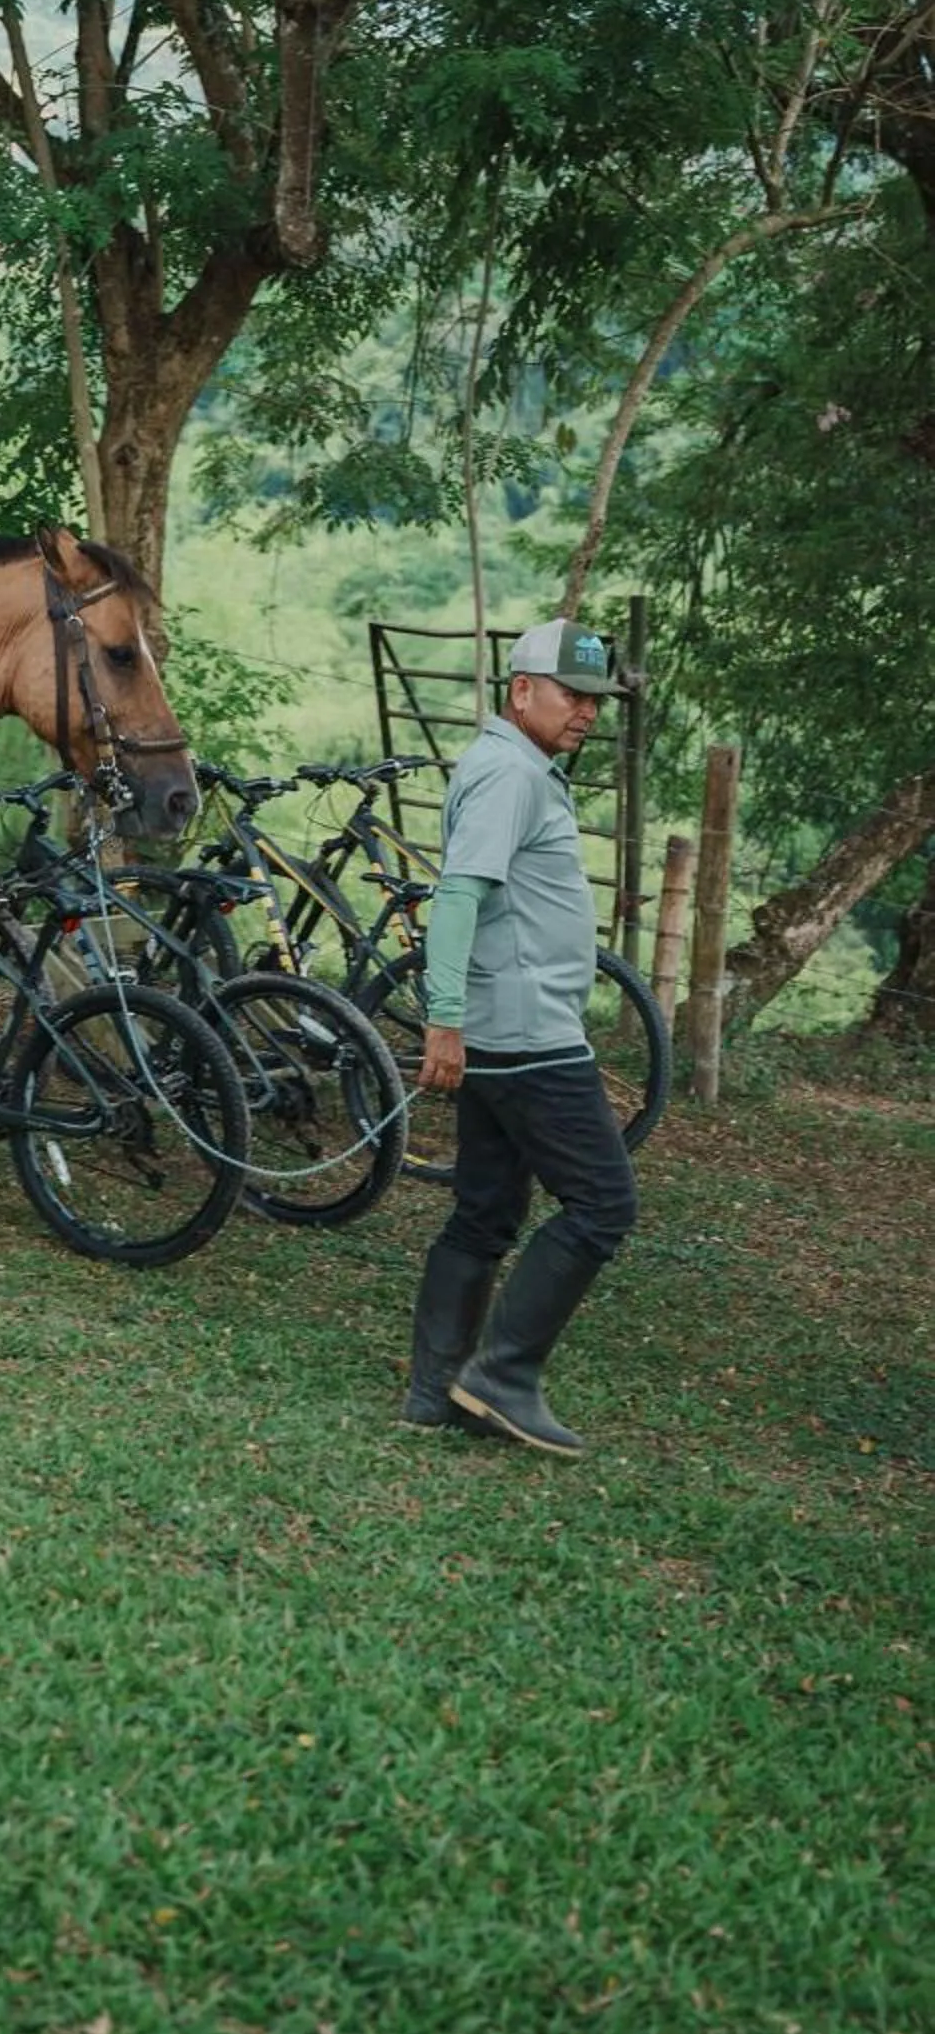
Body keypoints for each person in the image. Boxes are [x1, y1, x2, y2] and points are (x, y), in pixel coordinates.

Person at [402, 619, 638, 1457]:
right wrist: (443, 1018)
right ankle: (499, 1378)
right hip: (526, 1033)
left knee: (486, 1210)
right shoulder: (509, 773)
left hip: (510, 1028)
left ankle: (435, 1392)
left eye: (594, 700)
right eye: (572, 695)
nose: (586, 713)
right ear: (522, 690)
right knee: (605, 1205)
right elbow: (459, 897)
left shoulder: (517, 767)